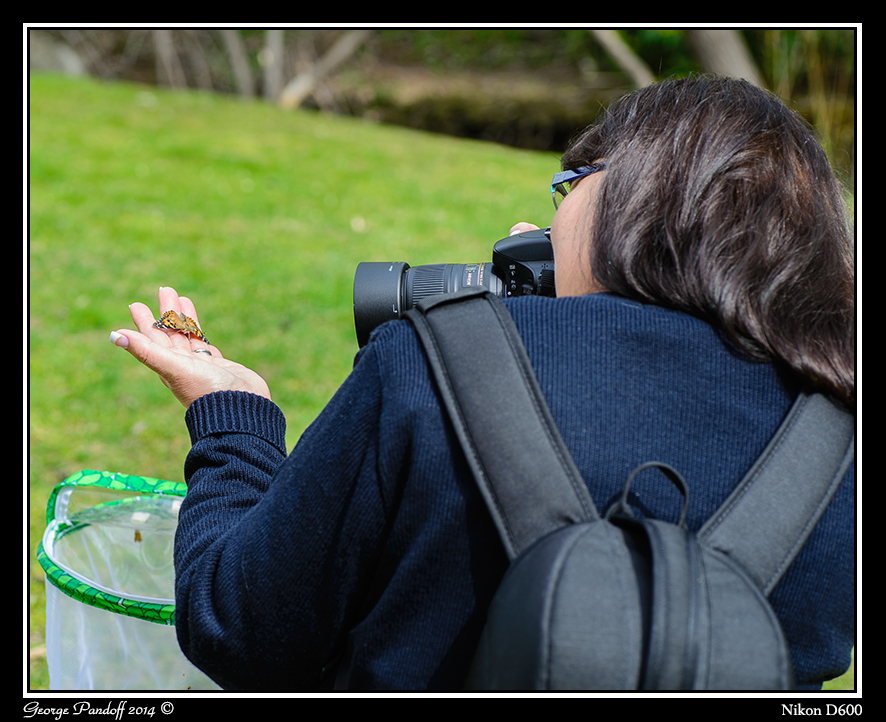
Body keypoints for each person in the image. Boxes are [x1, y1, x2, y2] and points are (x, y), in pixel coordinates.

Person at [109, 76, 855, 690]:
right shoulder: (837, 441)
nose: (550, 221)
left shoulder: (431, 363)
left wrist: (233, 416)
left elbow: (241, 629)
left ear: (631, 195)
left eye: (569, 188)